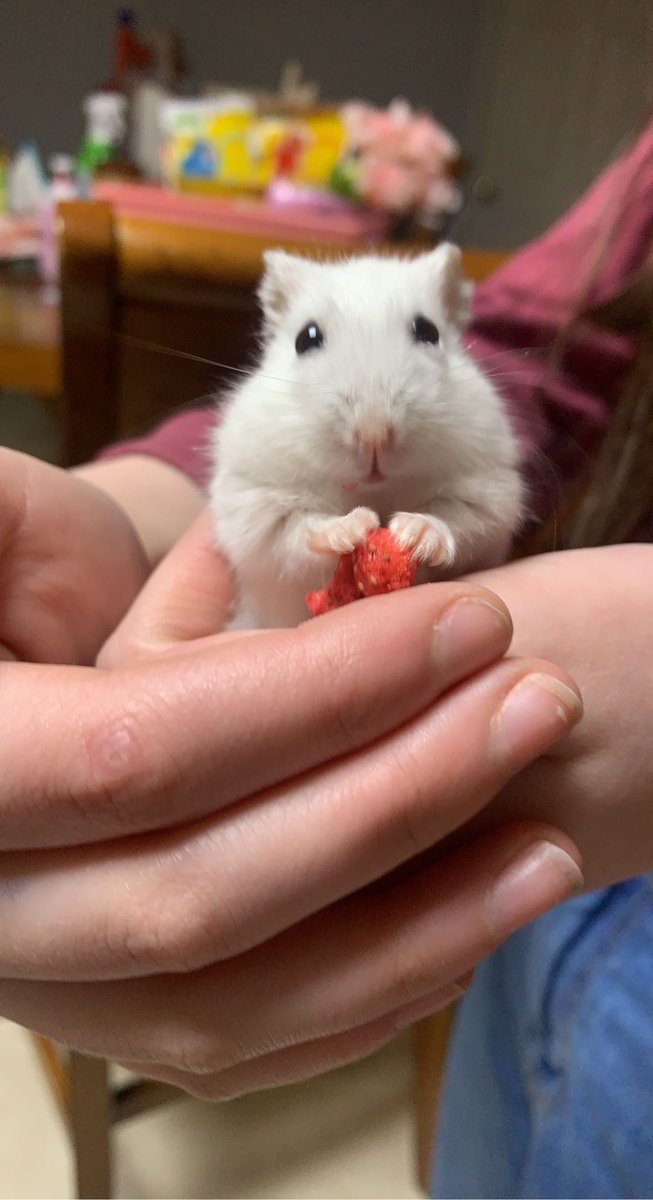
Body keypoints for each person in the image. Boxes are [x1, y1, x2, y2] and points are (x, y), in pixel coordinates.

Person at [0, 118, 649, 1179]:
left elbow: (488, 503)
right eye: (313, 343)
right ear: (280, 326)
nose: (372, 425)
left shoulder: (469, 426)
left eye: (420, 339)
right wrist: (127, 517)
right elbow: (244, 519)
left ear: (447, 322)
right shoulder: (257, 431)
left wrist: (447, 534)